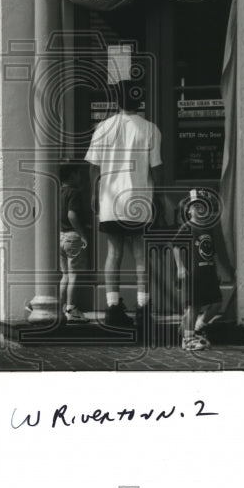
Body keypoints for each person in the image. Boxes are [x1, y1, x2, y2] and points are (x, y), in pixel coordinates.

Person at [85, 79, 162, 328]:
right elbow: (156, 168)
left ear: (117, 101)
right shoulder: (150, 129)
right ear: (139, 101)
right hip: (138, 199)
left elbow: (94, 168)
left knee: (113, 253)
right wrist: (157, 197)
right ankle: (142, 307)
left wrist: (94, 196)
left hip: (110, 200)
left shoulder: (103, 128)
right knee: (140, 254)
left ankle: (113, 307)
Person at [173, 188, 225, 351]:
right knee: (193, 306)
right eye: (196, 206)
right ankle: (187, 339)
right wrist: (180, 267)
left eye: (203, 206)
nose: (200, 210)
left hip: (208, 272)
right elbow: (175, 247)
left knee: (216, 303)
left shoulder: (208, 228)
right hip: (193, 274)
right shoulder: (187, 227)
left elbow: (212, 250)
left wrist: (217, 269)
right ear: (188, 209)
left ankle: (196, 328)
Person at [58, 161, 90, 323]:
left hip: (60, 236)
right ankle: (71, 309)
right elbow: (72, 215)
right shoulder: (73, 193)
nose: (80, 177)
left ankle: (61, 306)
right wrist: (82, 235)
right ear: (72, 176)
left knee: (65, 275)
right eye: (78, 174)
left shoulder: (58, 192)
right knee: (74, 275)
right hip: (72, 236)